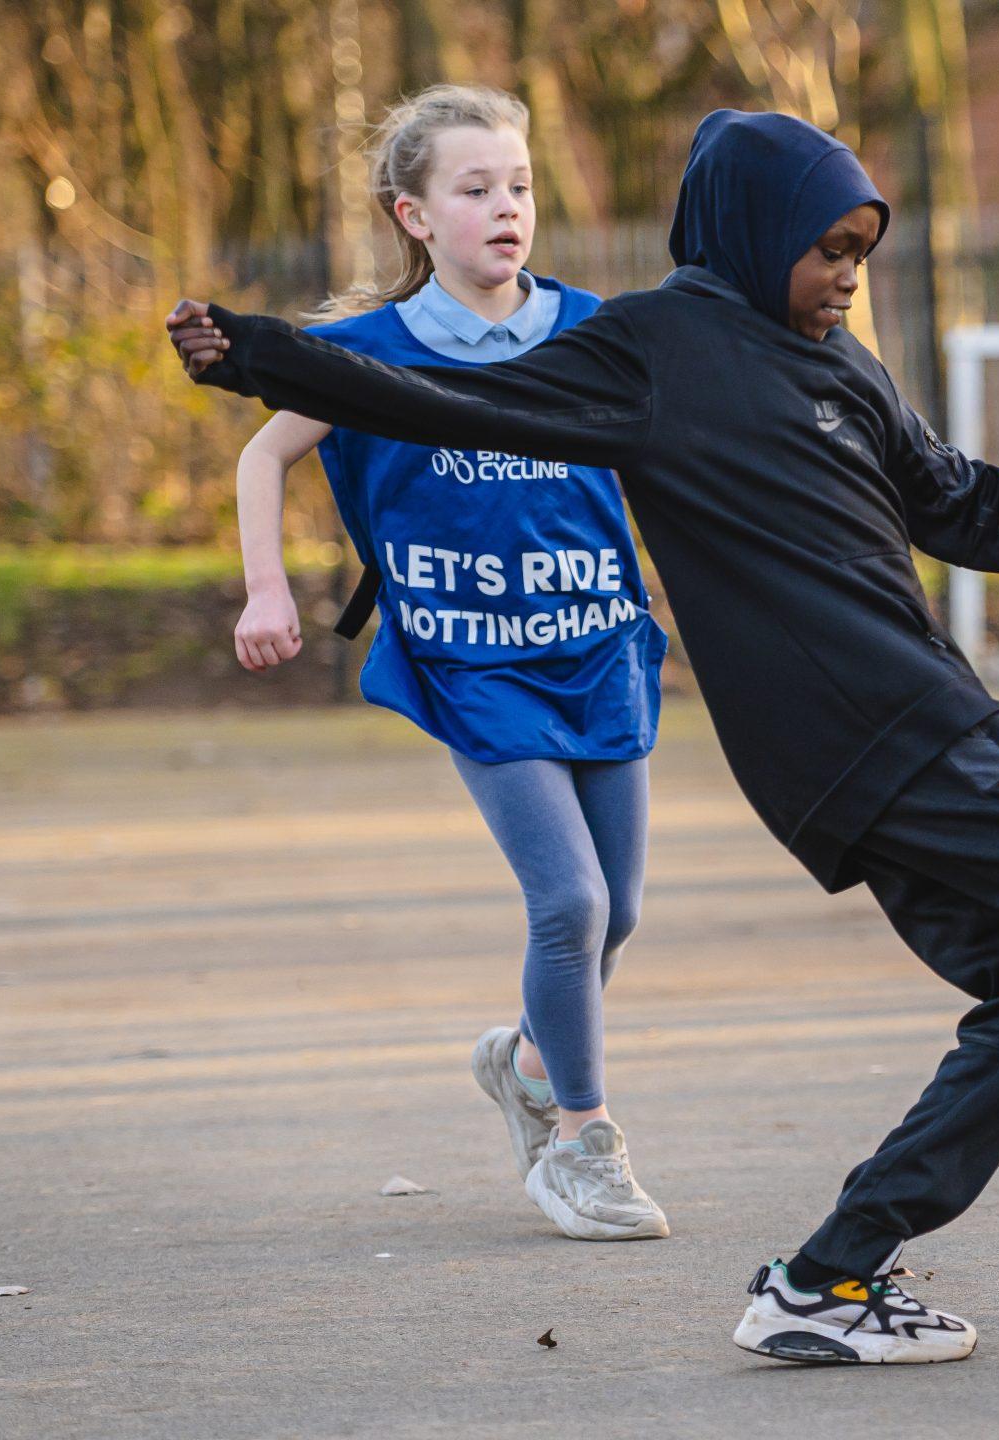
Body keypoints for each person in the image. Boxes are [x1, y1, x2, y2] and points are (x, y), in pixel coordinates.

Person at [165, 110, 999, 1363]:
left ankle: (823, 1282)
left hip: (872, 751)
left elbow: (975, 516)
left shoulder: (845, 369)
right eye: (826, 248)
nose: (844, 275)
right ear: (755, 231)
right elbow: (440, 395)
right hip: (889, 730)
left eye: (861, 252)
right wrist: (260, 354)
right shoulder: (650, 348)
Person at [229, 85, 669, 1242]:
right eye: (474, 190)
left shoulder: (594, 330)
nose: (505, 207)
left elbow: (679, 461)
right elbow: (261, 458)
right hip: (473, 661)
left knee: (617, 911)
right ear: (413, 215)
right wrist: (268, 587)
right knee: (566, 902)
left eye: (518, 185)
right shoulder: (361, 356)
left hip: (601, 645)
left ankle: (525, 1059)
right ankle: (579, 1137)